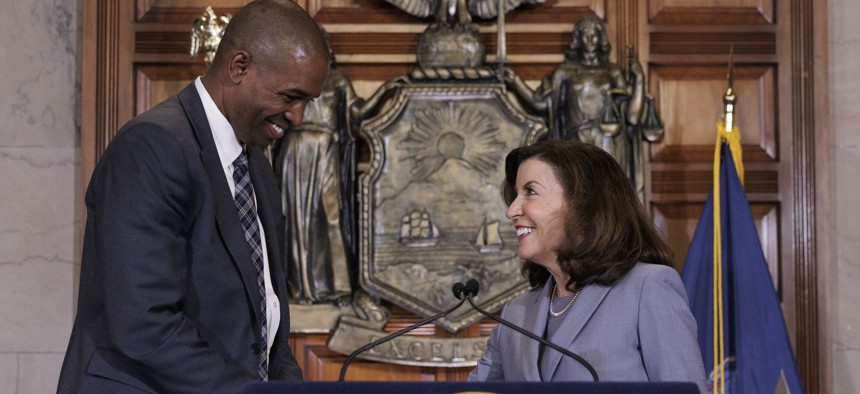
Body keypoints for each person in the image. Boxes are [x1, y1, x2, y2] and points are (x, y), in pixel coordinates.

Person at [57, 1, 330, 392]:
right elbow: (144, 324)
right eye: (290, 96)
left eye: (308, 101)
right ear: (239, 66)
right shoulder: (151, 147)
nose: (299, 117)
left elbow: (267, 319)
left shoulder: (255, 162)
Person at [468, 140, 706, 393]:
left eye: (530, 191)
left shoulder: (648, 288)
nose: (512, 210)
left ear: (584, 206)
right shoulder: (516, 313)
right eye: (515, 195)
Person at [273, 29, 402, 304]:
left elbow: (356, 115)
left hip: (325, 148)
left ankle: (337, 286)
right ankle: (299, 287)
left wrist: (384, 92)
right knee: (296, 219)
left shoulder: (337, 79)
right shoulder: (288, 77)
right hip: (294, 148)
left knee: (330, 213)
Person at [506, 15, 663, 197]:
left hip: (609, 141)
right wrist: (515, 82)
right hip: (577, 140)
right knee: (578, 196)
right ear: (577, 39)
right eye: (585, 35)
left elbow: (632, 117)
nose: (590, 40)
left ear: (601, 38)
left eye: (594, 35)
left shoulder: (612, 72)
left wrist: (639, 81)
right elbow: (540, 104)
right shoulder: (565, 72)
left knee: (608, 197)